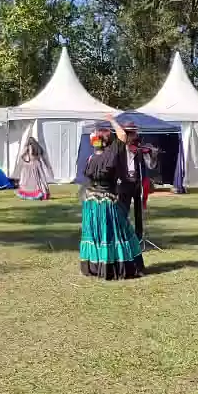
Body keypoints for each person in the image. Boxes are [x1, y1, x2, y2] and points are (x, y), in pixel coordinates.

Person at [80, 117, 145, 280]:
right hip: (107, 202)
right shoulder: (111, 155)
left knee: (97, 233)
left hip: (91, 201)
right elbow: (122, 135)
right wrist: (111, 120)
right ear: (109, 142)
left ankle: (94, 267)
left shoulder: (91, 158)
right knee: (117, 232)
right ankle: (117, 266)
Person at [16, 136, 52, 200]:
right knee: (41, 180)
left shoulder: (28, 147)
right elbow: (43, 157)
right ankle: (45, 193)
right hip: (38, 164)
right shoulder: (38, 147)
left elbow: (22, 155)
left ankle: (33, 193)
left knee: (29, 181)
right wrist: (47, 166)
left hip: (30, 165)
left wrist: (26, 159)